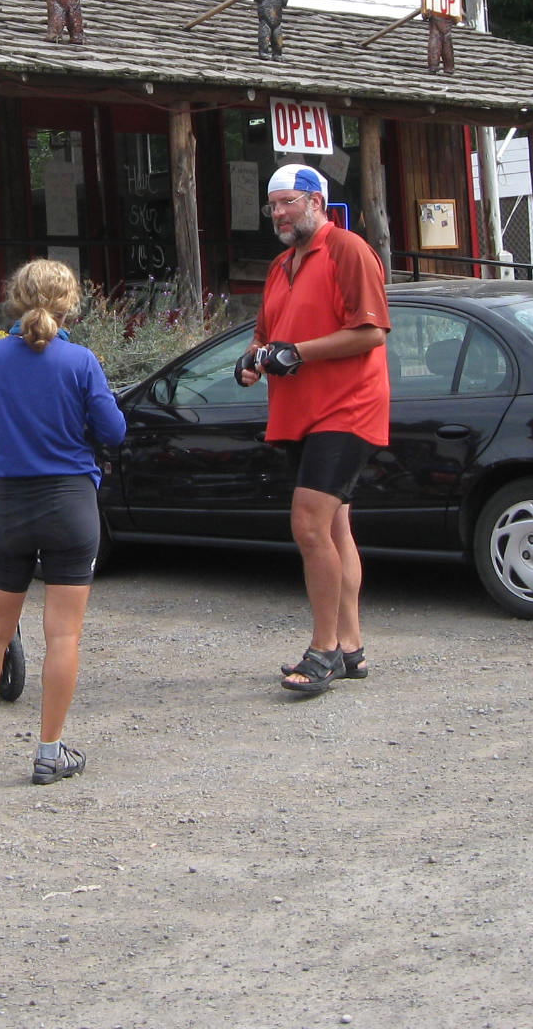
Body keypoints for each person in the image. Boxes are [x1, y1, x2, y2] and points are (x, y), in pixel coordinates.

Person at [0, 259, 126, 785]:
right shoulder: (81, 361)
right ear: (70, 305)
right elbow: (113, 432)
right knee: (63, 636)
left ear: (15, 299)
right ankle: (49, 753)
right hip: (70, 504)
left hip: (10, 505)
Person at [235, 164, 391, 695]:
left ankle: (323, 650)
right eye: (273, 205)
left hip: (347, 408)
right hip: (297, 412)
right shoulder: (281, 265)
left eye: (288, 203)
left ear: (316, 202)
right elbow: (265, 336)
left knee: (307, 524)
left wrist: (296, 352)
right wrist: (252, 361)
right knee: (334, 527)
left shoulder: (348, 249)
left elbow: (371, 332)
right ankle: (351, 648)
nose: (279, 214)